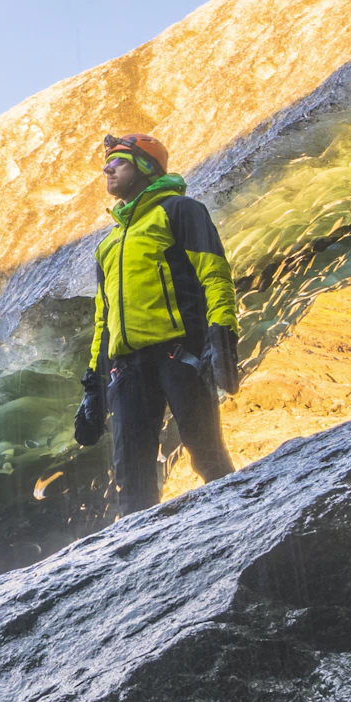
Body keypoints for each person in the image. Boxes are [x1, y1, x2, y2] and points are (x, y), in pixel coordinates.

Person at [70, 128, 240, 516]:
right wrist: (94, 386)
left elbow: (214, 274)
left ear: (145, 167)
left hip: (180, 356)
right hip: (126, 371)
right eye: (106, 164)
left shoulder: (180, 211)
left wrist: (222, 334)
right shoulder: (108, 244)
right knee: (131, 485)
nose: (107, 170)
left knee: (208, 457)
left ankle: (243, 527)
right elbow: (103, 319)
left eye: (117, 161)